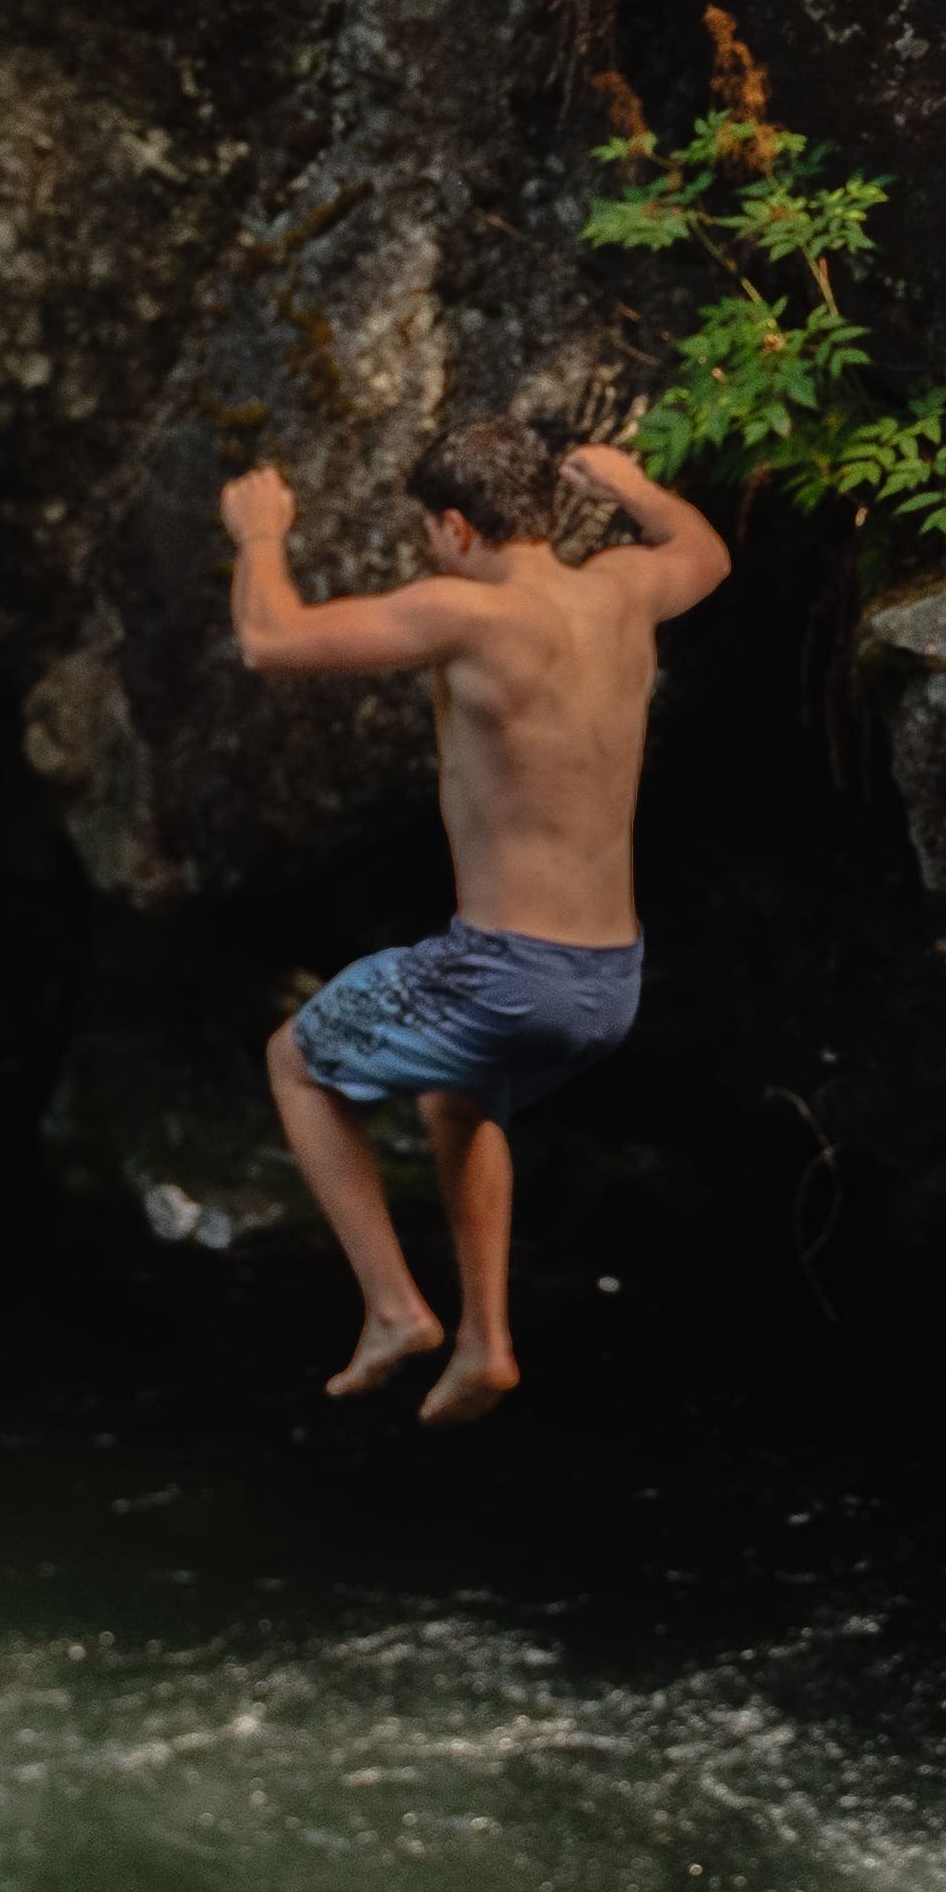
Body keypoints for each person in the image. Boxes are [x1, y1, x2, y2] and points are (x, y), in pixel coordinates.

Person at [216, 414, 729, 1423]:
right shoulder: (622, 589)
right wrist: (626, 481)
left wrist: (260, 534)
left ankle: (395, 1308)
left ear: (455, 527)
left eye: (425, 533)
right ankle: (487, 1340)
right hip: (610, 981)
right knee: (457, 1100)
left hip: (503, 971)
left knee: (294, 1061)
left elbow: (269, 640)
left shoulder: (465, 613)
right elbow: (705, 551)